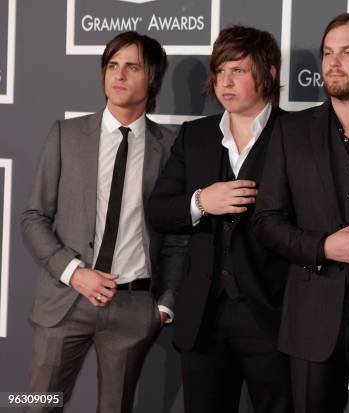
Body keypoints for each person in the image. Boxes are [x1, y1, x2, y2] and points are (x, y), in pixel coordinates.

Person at [253, 13, 349, 413]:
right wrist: (323, 246)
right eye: (327, 53)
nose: (332, 63)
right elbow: (266, 221)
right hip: (311, 318)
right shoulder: (290, 131)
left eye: (347, 52)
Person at [21, 31, 187, 412]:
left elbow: (178, 237)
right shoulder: (66, 134)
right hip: (65, 301)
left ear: (153, 79)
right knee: (36, 405)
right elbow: (33, 218)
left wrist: (163, 306)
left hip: (134, 308)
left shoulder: (171, 147)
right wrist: (75, 272)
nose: (119, 75)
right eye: (112, 65)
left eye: (132, 67)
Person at [148, 25, 292, 413]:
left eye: (238, 71)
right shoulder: (195, 135)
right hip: (204, 316)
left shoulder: (295, 134)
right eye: (220, 71)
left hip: (272, 313)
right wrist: (200, 201)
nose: (225, 82)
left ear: (270, 73)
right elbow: (159, 209)